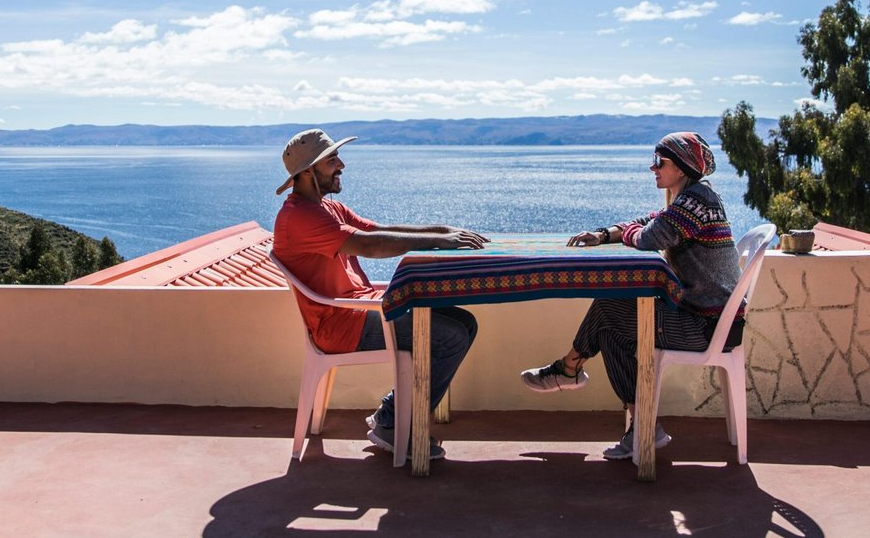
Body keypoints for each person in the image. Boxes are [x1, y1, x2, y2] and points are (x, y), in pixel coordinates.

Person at [519, 131, 741, 460]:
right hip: (702, 317)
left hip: (706, 327)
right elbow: (647, 223)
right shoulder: (687, 199)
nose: (653, 168)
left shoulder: (697, 200)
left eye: (659, 162)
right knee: (611, 326)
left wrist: (630, 233)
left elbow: (653, 236)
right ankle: (641, 425)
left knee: (610, 308)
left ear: (680, 167)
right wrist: (605, 234)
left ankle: (571, 369)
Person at [271, 128, 489, 461]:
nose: (341, 165)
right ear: (307, 173)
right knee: (450, 337)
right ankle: (392, 424)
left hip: (359, 310)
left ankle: (391, 413)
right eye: (331, 161)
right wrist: (438, 241)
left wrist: (442, 231)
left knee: (464, 321)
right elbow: (370, 245)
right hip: (341, 324)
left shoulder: (329, 209)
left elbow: (376, 230)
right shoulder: (299, 218)